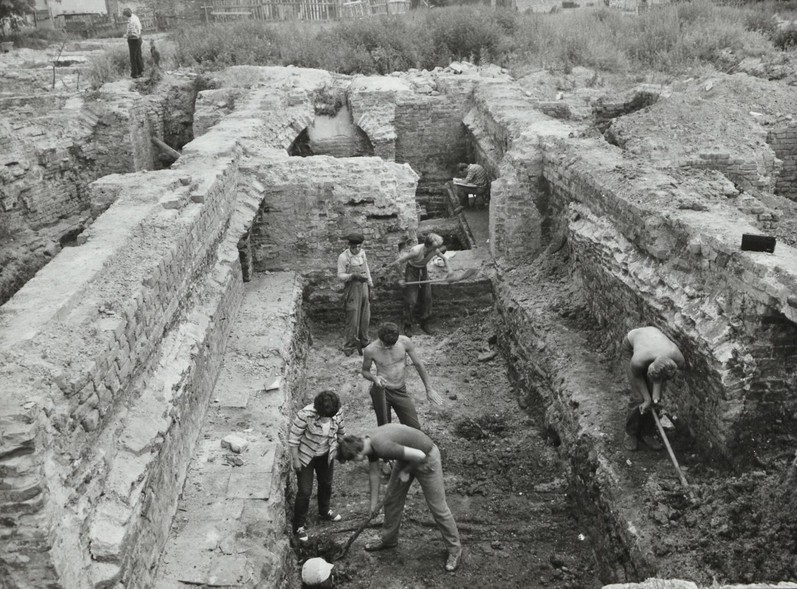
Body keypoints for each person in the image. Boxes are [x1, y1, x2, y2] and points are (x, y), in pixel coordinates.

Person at [337, 424, 462, 572]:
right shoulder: (366, 443)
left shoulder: (382, 446)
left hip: (427, 457)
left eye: (352, 460)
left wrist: (406, 472)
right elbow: (374, 473)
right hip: (407, 456)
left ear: (357, 455)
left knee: (438, 507)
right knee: (392, 499)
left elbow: (420, 456)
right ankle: (389, 540)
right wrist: (373, 504)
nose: (354, 462)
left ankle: (455, 550)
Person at [362, 322, 443, 431]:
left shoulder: (405, 342)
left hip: (400, 390)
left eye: (392, 345)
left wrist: (429, 389)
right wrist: (374, 378)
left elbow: (419, 364)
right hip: (382, 391)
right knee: (385, 429)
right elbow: (365, 371)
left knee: (414, 427)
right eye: (386, 345)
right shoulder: (370, 350)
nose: (389, 348)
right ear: (380, 338)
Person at [289, 390, 345, 543]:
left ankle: (324, 510)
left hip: (326, 455)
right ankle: (299, 525)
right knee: (305, 491)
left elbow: (341, 431)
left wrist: (342, 446)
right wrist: (295, 460)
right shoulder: (304, 415)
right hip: (306, 457)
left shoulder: (337, 411)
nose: (327, 420)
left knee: (326, 483)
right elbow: (294, 439)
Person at [622, 326, 685, 451]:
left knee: (656, 400)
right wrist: (647, 399)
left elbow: (660, 378)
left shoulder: (678, 359)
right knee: (638, 398)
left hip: (654, 346)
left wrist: (654, 398)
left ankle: (647, 432)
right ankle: (631, 433)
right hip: (631, 345)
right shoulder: (638, 360)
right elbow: (638, 378)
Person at [386, 233, 448, 336]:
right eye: (435, 247)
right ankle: (407, 325)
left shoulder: (434, 250)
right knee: (411, 300)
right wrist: (401, 278)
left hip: (423, 270)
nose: (437, 249)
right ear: (428, 245)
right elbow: (397, 263)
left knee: (427, 297)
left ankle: (425, 322)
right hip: (412, 271)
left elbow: (445, 259)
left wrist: (450, 272)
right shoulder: (416, 251)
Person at [337, 232, 373, 356]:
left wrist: (369, 281)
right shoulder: (343, 257)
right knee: (352, 315)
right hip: (352, 287)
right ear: (349, 246)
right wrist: (352, 275)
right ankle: (349, 344)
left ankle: (364, 340)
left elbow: (366, 267)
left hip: (363, 286)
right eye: (354, 247)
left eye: (359, 246)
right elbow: (340, 275)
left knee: (365, 315)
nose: (357, 249)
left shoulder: (362, 253)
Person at [122, 8, 144, 79]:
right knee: (138, 56)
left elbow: (133, 33)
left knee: (133, 57)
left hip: (133, 40)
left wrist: (126, 36)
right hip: (139, 39)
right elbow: (140, 28)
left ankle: (134, 74)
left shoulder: (131, 21)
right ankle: (141, 71)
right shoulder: (135, 17)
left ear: (126, 15)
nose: (123, 17)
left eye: (124, 15)